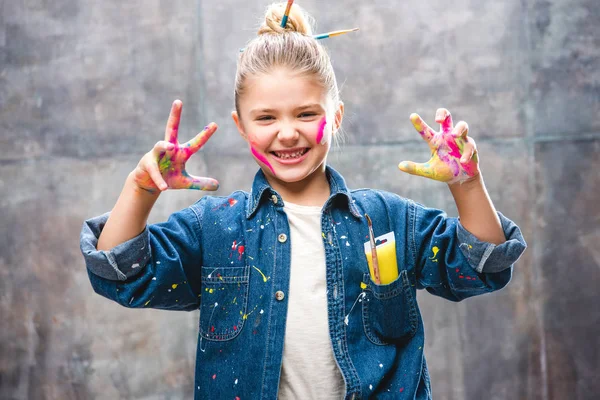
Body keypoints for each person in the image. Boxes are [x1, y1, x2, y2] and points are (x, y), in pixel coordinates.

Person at [80, 2, 526, 399]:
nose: (287, 132)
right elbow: (123, 275)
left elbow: (481, 267)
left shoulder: (387, 219)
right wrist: (140, 190)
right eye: (267, 117)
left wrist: (467, 184)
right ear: (242, 126)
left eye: (306, 113)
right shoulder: (215, 228)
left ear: (336, 116)